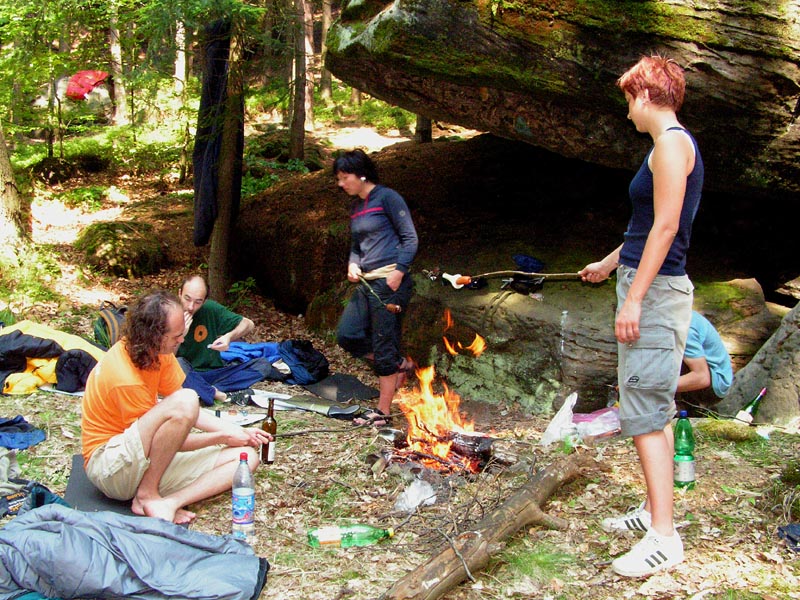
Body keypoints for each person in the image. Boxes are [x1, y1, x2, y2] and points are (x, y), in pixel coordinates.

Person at [579, 55, 702, 577]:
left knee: (646, 413)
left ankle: (664, 538)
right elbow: (644, 222)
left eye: (629, 98)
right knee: (654, 405)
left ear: (646, 95)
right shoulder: (664, 147)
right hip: (642, 281)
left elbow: (668, 226)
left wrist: (633, 300)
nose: (627, 109)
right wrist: (609, 265)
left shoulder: (672, 144)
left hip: (654, 294)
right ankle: (655, 511)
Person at [81, 290, 272, 524]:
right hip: (110, 467)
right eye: (176, 336)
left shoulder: (157, 352)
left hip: (138, 461)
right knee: (188, 399)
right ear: (154, 335)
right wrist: (221, 436)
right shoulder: (124, 378)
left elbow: (187, 415)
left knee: (245, 459)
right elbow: (163, 440)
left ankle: (168, 502)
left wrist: (237, 432)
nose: (181, 341)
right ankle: (146, 496)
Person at [333, 149, 418, 427]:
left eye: (344, 177)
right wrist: (353, 264)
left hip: (390, 283)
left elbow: (410, 237)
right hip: (368, 283)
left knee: (383, 346)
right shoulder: (357, 207)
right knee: (347, 335)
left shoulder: (388, 198)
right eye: (339, 178)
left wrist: (399, 271)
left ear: (361, 174)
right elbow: (357, 245)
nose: (341, 183)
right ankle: (398, 364)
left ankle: (382, 412)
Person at [177, 275, 274, 406]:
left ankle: (203, 389)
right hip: (186, 374)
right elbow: (164, 359)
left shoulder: (210, 309)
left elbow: (248, 324)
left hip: (214, 374)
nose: (191, 306)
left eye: (198, 302)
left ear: (205, 301)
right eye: (187, 299)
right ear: (179, 293)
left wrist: (229, 337)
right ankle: (217, 394)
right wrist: (179, 336)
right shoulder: (168, 313)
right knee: (178, 363)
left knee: (263, 364)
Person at [677, 311, 733, 400]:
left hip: (714, 382)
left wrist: (654, 388)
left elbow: (702, 378)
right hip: (700, 373)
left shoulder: (683, 326)